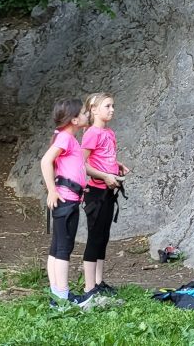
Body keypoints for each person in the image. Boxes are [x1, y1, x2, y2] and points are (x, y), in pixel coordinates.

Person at [39, 98, 92, 309]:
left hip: (70, 197)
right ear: (74, 119)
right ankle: (62, 297)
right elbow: (45, 161)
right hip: (65, 199)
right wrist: (52, 190)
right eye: (84, 113)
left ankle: (57, 294)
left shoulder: (68, 138)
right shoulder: (66, 139)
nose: (87, 115)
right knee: (63, 248)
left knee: (57, 247)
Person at [81, 92, 130, 296]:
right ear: (94, 110)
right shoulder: (91, 133)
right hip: (96, 192)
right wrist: (104, 175)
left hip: (109, 190)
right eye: (107, 106)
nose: (112, 110)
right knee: (94, 237)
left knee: (103, 236)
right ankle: (89, 286)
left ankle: (99, 282)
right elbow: (82, 164)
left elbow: (103, 157)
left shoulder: (109, 133)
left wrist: (116, 167)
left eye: (113, 106)